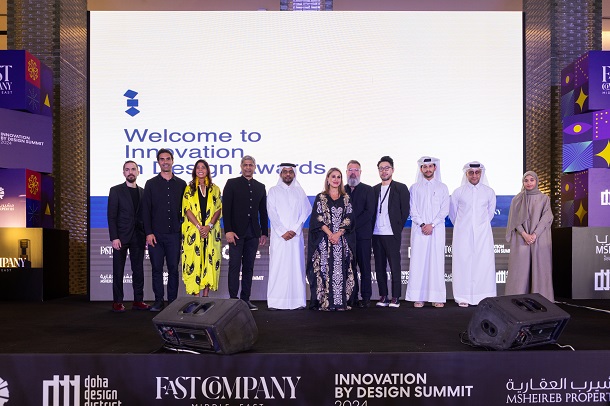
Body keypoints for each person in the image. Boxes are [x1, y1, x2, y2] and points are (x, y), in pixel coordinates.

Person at [142, 148, 187, 312]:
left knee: (174, 269)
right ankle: (158, 301)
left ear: (173, 161)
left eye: (168, 159)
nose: (165, 162)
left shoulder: (181, 184)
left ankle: (173, 302)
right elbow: (145, 210)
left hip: (175, 234)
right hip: (156, 235)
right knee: (156, 269)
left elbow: (187, 210)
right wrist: (148, 233)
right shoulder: (151, 184)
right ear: (158, 162)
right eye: (162, 159)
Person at [222, 155, 269, 311]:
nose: (248, 167)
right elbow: (226, 209)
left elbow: (263, 211)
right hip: (235, 233)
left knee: (249, 267)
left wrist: (264, 232)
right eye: (245, 165)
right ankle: (233, 299)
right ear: (241, 167)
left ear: (254, 167)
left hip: (253, 233)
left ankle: (245, 299)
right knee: (234, 266)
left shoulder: (260, 186)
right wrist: (228, 230)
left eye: (251, 165)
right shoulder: (232, 183)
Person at [449, 161, 496, 307]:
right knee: (462, 263)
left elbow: (490, 214)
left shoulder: (489, 192)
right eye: (471, 172)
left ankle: (484, 296)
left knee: (484, 264)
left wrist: (479, 227)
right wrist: (464, 227)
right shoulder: (458, 192)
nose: (474, 175)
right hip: (462, 234)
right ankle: (462, 297)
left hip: (483, 234)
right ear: (466, 174)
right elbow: (453, 214)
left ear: (481, 173)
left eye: (477, 172)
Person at [405, 157, 450, 308]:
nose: (428, 169)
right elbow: (412, 209)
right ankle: (418, 297)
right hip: (419, 230)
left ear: (435, 168)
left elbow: (444, 210)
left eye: (430, 166)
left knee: (436, 263)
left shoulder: (443, 187)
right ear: (421, 169)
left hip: (437, 230)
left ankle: (437, 297)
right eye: (425, 167)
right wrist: (423, 224)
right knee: (419, 262)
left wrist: (432, 224)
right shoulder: (414, 188)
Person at [308, 167, 355, 311]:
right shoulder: (321, 197)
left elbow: (349, 218)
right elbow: (318, 218)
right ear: (328, 179)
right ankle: (325, 302)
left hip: (341, 241)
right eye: (333, 176)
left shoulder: (346, 198)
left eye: (338, 177)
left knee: (342, 270)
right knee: (323, 270)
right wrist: (330, 234)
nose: (336, 179)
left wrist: (338, 234)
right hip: (324, 241)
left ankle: (340, 303)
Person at [266, 163, 312, 310]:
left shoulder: (299, 191)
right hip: (279, 237)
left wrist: (294, 229)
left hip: (295, 237)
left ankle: (297, 301)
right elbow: (271, 213)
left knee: (295, 268)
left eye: (290, 172)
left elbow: (306, 211)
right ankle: (275, 302)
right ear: (280, 174)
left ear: (294, 174)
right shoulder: (273, 191)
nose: (287, 174)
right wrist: (282, 231)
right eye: (285, 172)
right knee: (278, 267)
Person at [107, 160, 150, 312]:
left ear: (138, 172)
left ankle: (138, 301)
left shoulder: (143, 192)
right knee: (118, 270)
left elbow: (145, 216)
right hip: (121, 237)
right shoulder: (115, 190)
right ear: (123, 172)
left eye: (133, 169)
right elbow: (111, 216)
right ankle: (117, 301)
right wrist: (114, 237)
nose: (130, 172)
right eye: (127, 169)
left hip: (138, 236)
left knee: (138, 271)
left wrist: (146, 235)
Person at [505, 171, 554, 301]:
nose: (529, 183)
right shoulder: (517, 199)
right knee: (520, 270)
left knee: (540, 268)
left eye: (532, 180)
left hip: (539, 238)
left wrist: (535, 234)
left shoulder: (544, 199)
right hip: (522, 238)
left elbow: (547, 217)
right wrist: (525, 235)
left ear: (536, 181)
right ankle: (517, 301)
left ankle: (541, 300)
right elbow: (514, 220)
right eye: (526, 180)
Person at [372, 156, 410, 308]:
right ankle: (383, 296)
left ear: (392, 170)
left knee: (395, 266)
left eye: (387, 168)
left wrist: (397, 228)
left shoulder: (400, 188)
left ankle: (395, 297)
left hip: (392, 233)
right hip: (376, 233)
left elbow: (405, 210)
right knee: (379, 266)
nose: (384, 171)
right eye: (381, 168)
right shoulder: (374, 189)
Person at [181, 159, 222, 297]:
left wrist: (208, 226)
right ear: (194, 171)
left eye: (203, 167)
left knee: (209, 261)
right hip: (194, 231)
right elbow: (187, 209)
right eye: (198, 167)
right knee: (194, 261)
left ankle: (205, 297)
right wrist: (199, 227)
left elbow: (218, 209)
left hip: (210, 232)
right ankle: (196, 297)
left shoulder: (215, 189)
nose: (200, 169)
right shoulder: (189, 189)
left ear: (207, 170)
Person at [345, 160, 375, 308]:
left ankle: (366, 297)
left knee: (364, 268)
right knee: (349, 268)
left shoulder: (368, 190)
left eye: (356, 170)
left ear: (360, 172)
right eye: (350, 170)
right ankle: (352, 297)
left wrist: (351, 225)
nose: (353, 173)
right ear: (346, 172)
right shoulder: (341, 190)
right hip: (346, 237)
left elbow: (369, 213)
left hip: (363, 237)